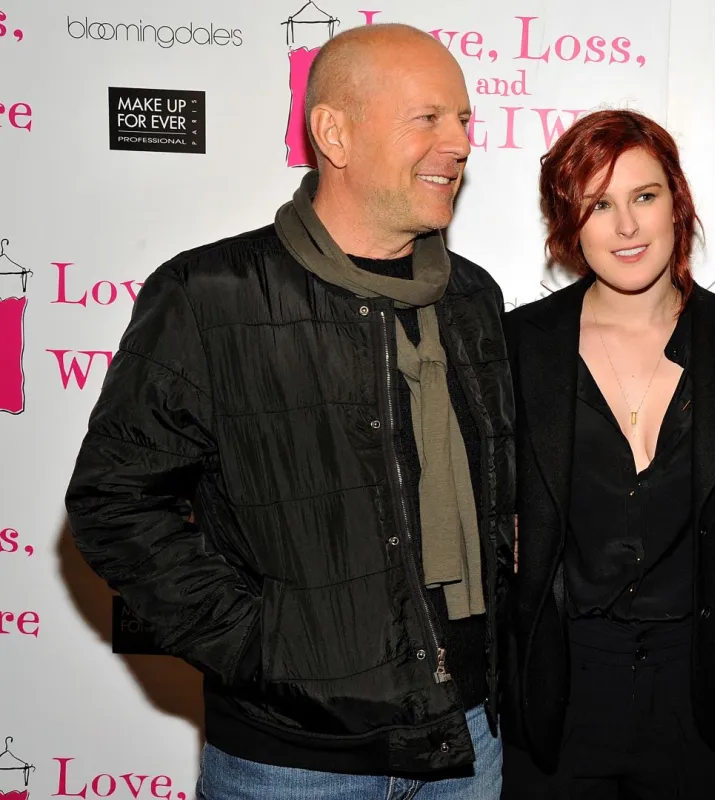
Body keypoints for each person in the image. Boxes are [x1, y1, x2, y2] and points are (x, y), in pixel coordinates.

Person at [63, 24, 514, 800]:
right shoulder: (210, 296)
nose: (460, 143)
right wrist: (266, 649)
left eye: (465, 120)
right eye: (429, 118)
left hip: (467, 738)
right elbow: (113, 502)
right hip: (293, 759)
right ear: (334, 132)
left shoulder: (472, 299)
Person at [498, 109, 715, 799]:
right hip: (560, 700)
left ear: (676, 203)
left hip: (702, 698)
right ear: (569, 225)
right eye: (599, 205)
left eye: (643, 197)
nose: (626, 227)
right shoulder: (515, 347)